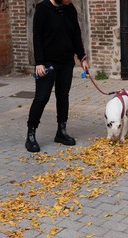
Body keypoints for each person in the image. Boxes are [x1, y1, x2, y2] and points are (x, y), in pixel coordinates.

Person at [25, 0, 89, 153]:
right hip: (47, 63)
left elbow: (76, 34)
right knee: (41, 98)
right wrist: (39, 62)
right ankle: (31, 135)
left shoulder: (70, 8)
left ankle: (61, 131)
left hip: (66, 62)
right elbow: (37, 37)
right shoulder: (43, 9)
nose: (71, 1)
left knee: (63, 96)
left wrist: (82, 57)